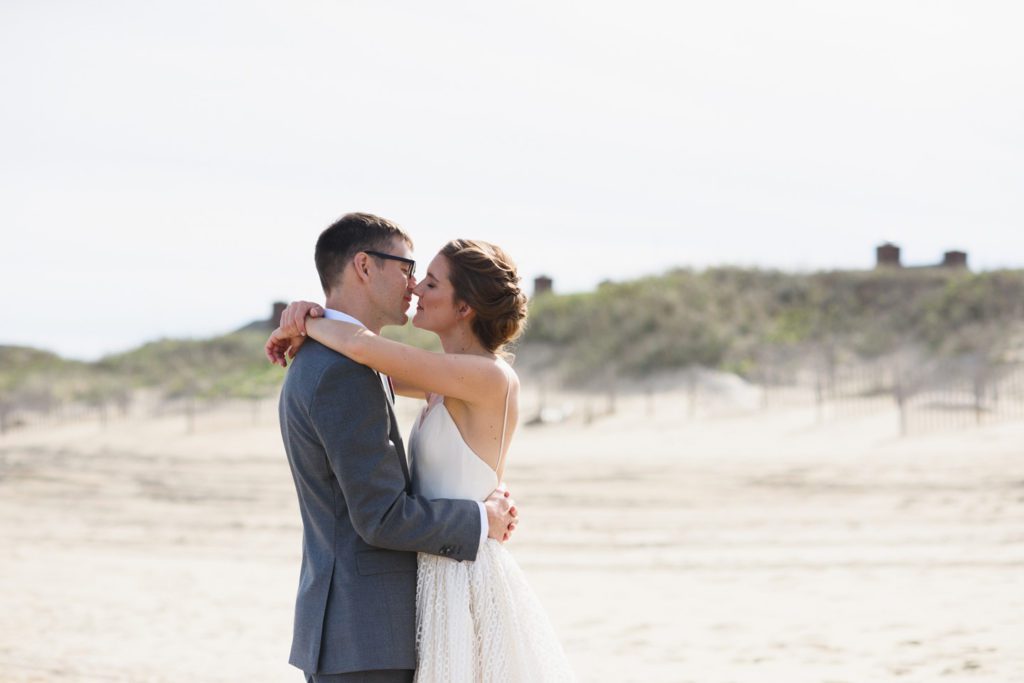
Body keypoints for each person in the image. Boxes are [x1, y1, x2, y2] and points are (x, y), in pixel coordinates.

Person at [267, 232, 575, 682]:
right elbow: (367, 368)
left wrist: (304, 323)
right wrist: (303, 316)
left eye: (430, 282)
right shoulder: (440, 380)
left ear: (464, 308)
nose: (415, 289)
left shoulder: (489, 376)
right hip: (433, 573)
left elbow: (363, 349)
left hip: (463, 574)